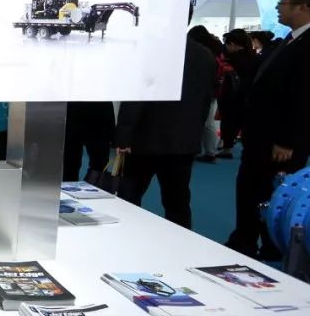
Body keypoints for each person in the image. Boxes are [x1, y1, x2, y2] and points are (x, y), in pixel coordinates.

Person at [226, 0, 310, 260]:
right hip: (262, 137)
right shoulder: (291, 39)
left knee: (270, 193)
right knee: (251, 188)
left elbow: (306, 97)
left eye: (284, 3)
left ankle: (267, 246)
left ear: (304, 6)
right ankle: (246, 240)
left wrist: (287, 140)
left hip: (280, 143)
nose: (279, 8)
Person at [115, 25, 216, 229]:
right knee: (177, 202)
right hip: (182, 141)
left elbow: (136, 97)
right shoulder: (204, 55)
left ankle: (124, 238)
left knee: (129, 198)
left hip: (145, 139)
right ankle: (181, 244)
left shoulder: (149, 50)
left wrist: (123, 136)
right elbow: (206, 100)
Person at [216, 29, 257, 157]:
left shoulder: (232, 59)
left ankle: (227, 148)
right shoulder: (254, 57)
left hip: (231, 96)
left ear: (233, 44)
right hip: (248, 96)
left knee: (228, 122)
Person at [188, 26, 222, 162]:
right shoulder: (214, 52)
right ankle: (210, 151)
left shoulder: (201, 54)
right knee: (209, 123)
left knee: (205, 124)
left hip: (202, 93)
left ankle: (207, 152)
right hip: (211, 92)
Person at [62, 102, 115, 181]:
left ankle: (93, 185)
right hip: (74, 113)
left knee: (99, 165)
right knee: (70, 164)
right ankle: (72, 187)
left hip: (99, 115)